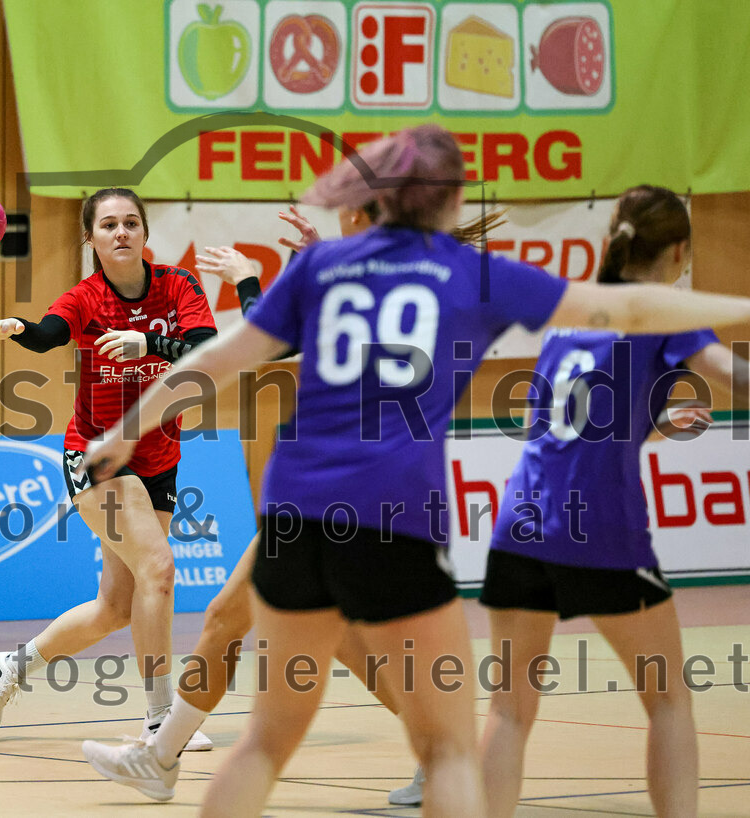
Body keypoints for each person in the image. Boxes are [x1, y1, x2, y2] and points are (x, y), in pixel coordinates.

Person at [80, 126, 750, 818]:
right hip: (391, 510)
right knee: (451, 749)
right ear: (451, 200)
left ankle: (160, 758)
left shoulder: (323, 266)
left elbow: (220, 359)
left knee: (264, 743)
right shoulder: (474, 275)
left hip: (296, 505)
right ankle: (164, 756)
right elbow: (631, 307)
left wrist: (127, 428)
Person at [80, 199, 505, 804]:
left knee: (269, 637)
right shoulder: (411, 292)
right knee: (285, 631)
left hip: (337, 494)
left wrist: (252, 280)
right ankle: (161, 756)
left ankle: (447, 758)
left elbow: (260, 346)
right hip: (336, 496)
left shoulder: (383, 298)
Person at [479, 185, 749, 818]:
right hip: (600, 528)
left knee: (509, 710)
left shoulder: (574, 313)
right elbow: (732, 374)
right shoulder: (661, 311)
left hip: (520, 523)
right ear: (679, 252)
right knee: (669, 700)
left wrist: (650, 425)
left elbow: (562, 424)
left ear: (611, 240)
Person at [0, 187, 216, 751]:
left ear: (145, 233)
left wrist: (148, 342)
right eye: (108, 225)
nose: (121, 232)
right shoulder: (85, 298)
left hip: (159, 459)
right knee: (159, 568)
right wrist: (19, 328)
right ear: (91, 239)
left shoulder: (179, 285)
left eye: (131, 222)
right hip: (98, 455)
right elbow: (48, 333)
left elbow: (205, 347)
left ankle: (9, 667)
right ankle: (161, 719)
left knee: (116, 607)